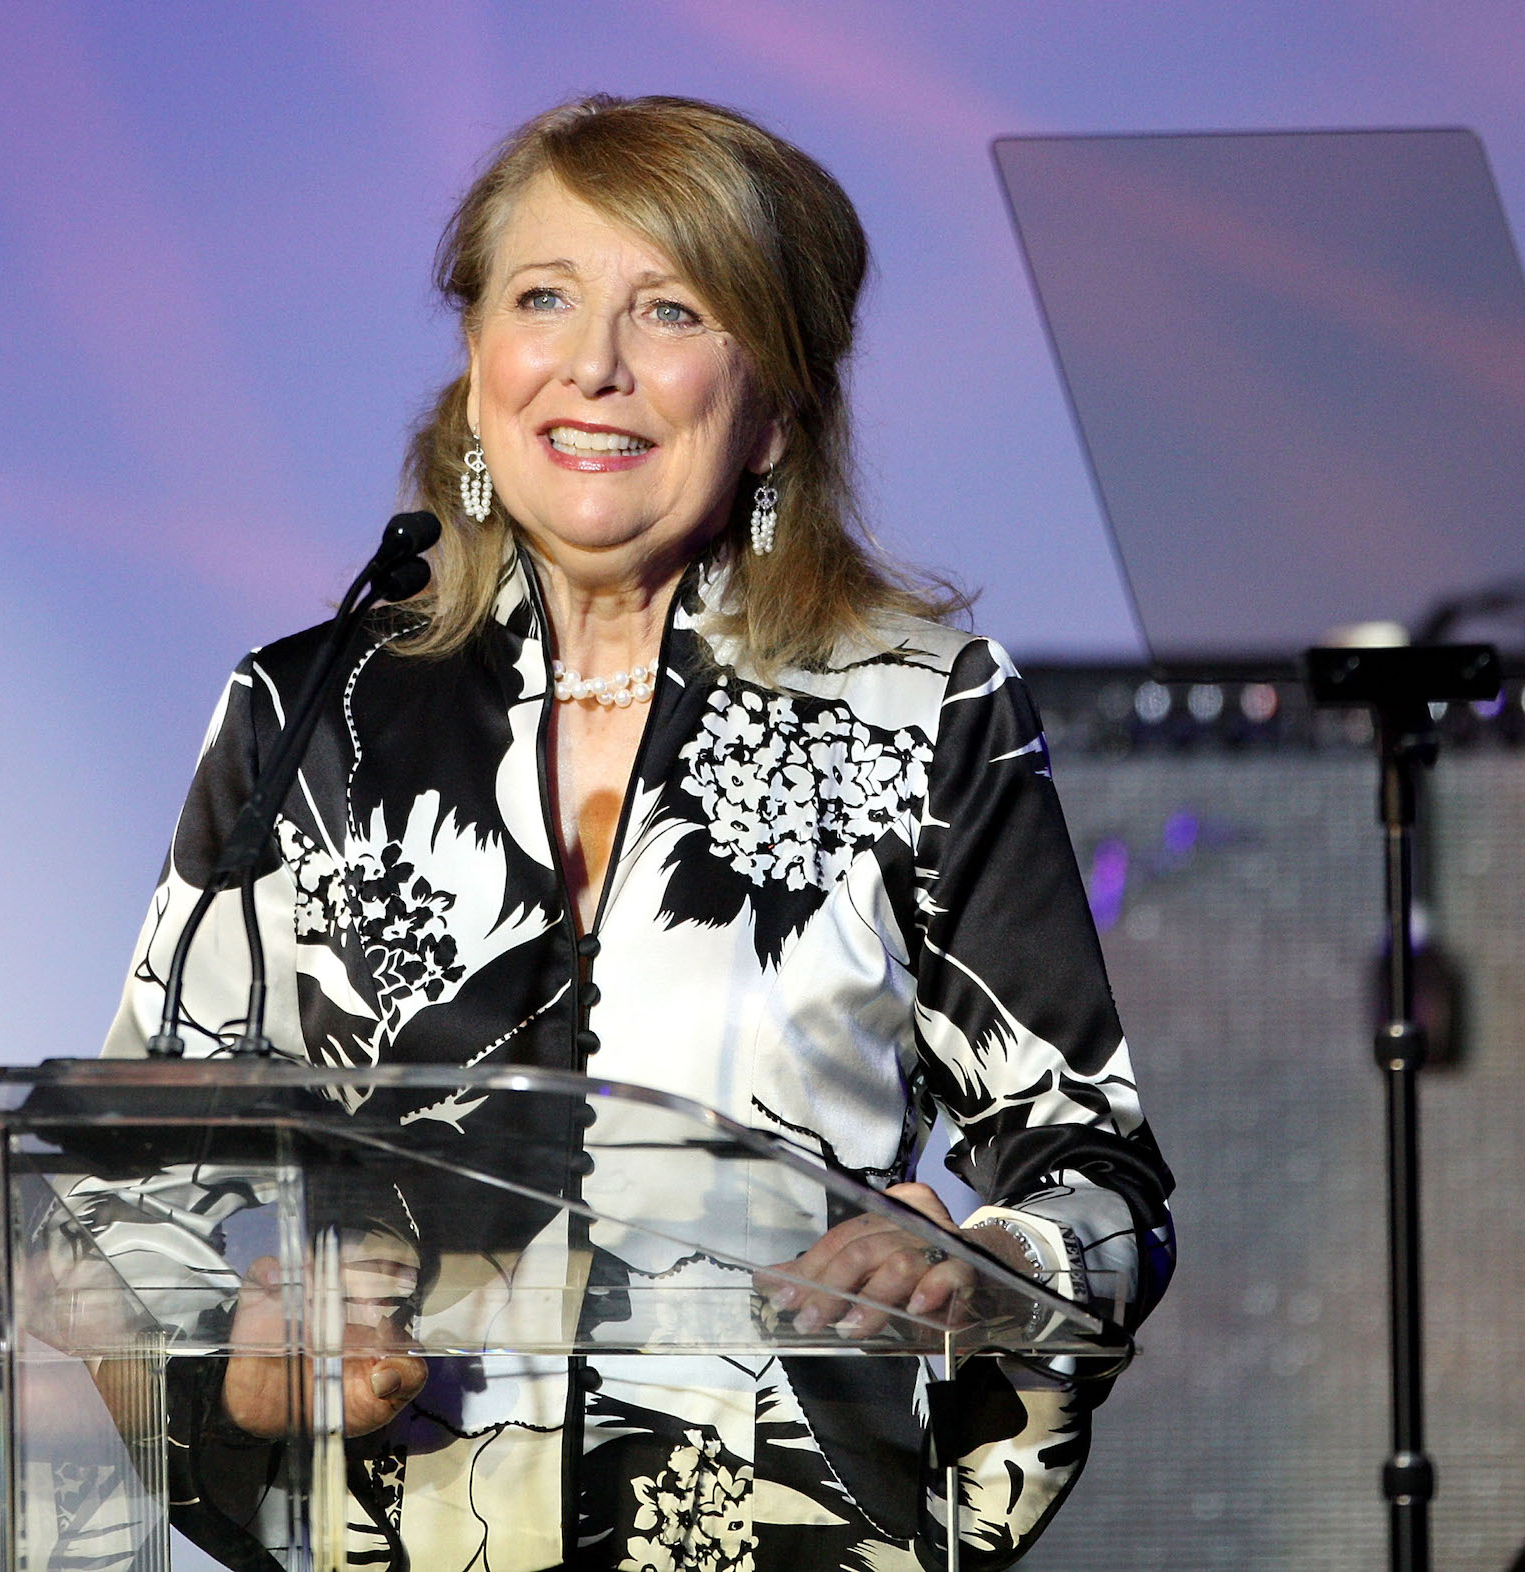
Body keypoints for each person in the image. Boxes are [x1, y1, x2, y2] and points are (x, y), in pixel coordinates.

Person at [102, 94, 1174, 1572]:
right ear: (479, 361)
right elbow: (109, 1189)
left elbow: (1098, 1179)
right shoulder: (310, 713)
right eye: (543, 297)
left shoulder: (926, 711)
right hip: (404, 1530)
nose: (592, 364)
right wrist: (237, 1355)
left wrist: (985, 1262)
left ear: (777, 404)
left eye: (670, 308)